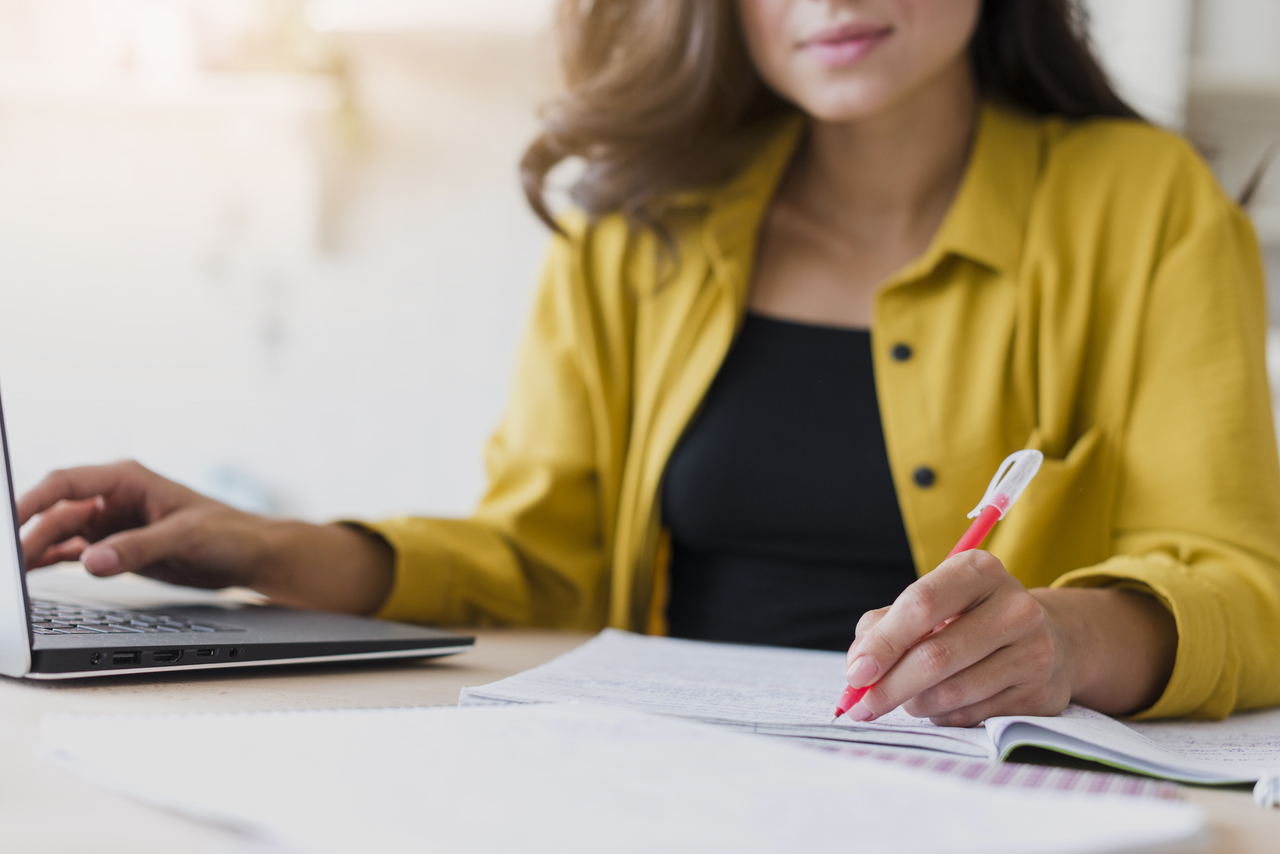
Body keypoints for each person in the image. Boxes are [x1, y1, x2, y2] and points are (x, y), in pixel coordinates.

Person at [17, 0, 1280, 725]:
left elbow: (1237, 580)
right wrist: (270, 547)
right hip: (659, 781)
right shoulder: (638, 221)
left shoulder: (1144, 205)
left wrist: (1065, 638)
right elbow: (539, 555)